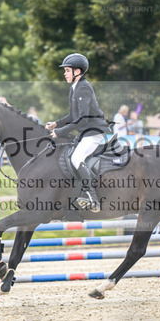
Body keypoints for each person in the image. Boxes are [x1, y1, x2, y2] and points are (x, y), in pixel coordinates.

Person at [46, 53, 109, 212]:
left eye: (67, 70)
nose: (65, 74)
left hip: (94, 131)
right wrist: (56, 124)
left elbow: (83, 119)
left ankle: (93, 198)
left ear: (78, 71)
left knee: (76, 158)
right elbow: (72, 116)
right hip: (85, 132)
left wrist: (59, 132)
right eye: (65, 71)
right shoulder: (74, 88)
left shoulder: (83, 87)